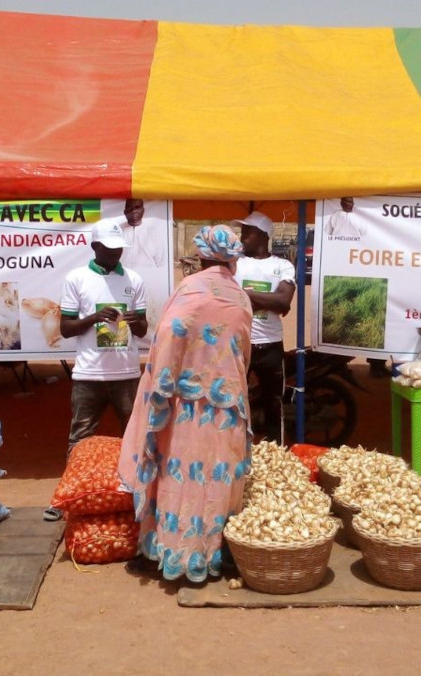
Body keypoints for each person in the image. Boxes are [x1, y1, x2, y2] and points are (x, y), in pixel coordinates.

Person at [117, 224, 253, 583]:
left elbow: (168, 336)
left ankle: (169, 551)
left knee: (178, 476)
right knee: (218, 479)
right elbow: (243, 351)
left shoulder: (190, 288)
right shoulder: (241, 297)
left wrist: (160, 388)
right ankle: (215, 554)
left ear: (201, 256)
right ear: (233, 260)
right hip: (227, 407)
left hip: (184, 408)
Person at [44, 218, 148, 521]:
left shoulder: (134, 279)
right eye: (109, 248)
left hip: (127, 374)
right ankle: (66, 498)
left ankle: (139, 496)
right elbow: (65, 329)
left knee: (134, 436)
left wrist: (134, 321)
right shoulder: (76, 278)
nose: (116, 253)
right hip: (89, 375)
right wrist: (94, 318)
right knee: (80, 437)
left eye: (119, 249)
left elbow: (143, 329)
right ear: (95, 246)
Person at [233, 211, 296, 443]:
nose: (242, 236)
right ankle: (235, 449)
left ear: (263, 235)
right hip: (241, 344)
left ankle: (275, 451)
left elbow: (283, 301)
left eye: (248, 231)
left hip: (271, 346)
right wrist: (269, 300)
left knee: (274, 402)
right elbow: (227, 297)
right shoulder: (235, 264)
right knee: (234, 400)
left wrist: (245, 295)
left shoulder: (283, 266)